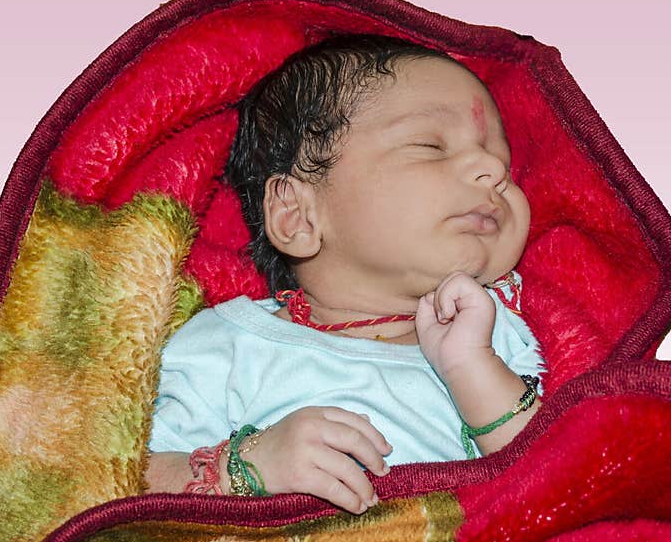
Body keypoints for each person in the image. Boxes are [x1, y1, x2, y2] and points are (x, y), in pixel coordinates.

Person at [144, 33, 546, 514]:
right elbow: (111, 481)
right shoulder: (227, 347)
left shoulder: (493, 332)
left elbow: (555, 485)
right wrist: (247, 467)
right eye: (430, 145)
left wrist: (470, 368)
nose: (490, 170)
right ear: (297, 215)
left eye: (504, 165)